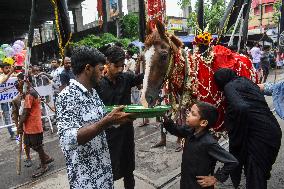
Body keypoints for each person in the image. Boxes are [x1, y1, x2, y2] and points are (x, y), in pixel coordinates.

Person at [56, 46, 134, 188]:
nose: (102, 73)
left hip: (104, 175)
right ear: (88, 68)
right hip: (87, 181)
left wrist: (117, 120)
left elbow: (101, 122)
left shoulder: (93, 93)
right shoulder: (67, 96)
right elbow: (68, 139)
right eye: (100, 69)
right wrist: (105, 122)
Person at [214, 68, 282, 189]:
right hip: (272, 130)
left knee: (256, 175)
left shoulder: (229, 86)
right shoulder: (245, 81)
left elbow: (241, 107)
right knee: (259, 171)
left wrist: (237, 123)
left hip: (260, 137)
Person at [97, 46, 143, 189]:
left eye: (122, 66)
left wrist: (148, 64)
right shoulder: (98, 84)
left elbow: (141, 79)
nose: (119, 69)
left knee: (129, 169)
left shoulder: (127, 78)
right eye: (116, 66)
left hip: (126, 131)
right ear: (107, 63)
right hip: (108, 135)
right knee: (107, 171)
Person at [163, 102, 238, 189]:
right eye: (189, 111)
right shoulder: (190, 130)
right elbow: (177, 130)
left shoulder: (209, 143)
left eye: (193, 114)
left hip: (199, 185)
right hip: (186, 181)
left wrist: (215, 178)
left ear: (203, 122)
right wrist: (165, 119)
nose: (188, 114)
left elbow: (232, 162)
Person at [17, 75, 54, 178]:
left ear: (25, 81)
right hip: (28, 126)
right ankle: (46, 158)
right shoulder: (26, 94)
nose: (18, 82)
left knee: (37, 146)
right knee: (30, 144)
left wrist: (19, 126)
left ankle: (44, 165)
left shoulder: (30, 94)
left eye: (19, 80)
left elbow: (25, 112)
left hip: (34, 126)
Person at [11, 73, 32, 167]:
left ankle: (42, 157)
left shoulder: (30, 95)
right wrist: (17, 126)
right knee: (24, 142)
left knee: (35, 142)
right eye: (19, 88)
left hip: (32, 122)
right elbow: (15, 115)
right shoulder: (16, 100)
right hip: (22, 124)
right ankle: (28, 157)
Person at [0, 62, 16, 139]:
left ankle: (20, 130)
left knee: (16, 114)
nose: (9, 69)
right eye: (6, 68)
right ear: (2, 69)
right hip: (5, 101)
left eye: (9, 68)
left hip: (14, 100)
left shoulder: (13, 75)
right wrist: (10, 73)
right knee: (7, 117)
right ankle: (12, 134)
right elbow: (3, 81)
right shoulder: (1, 76)